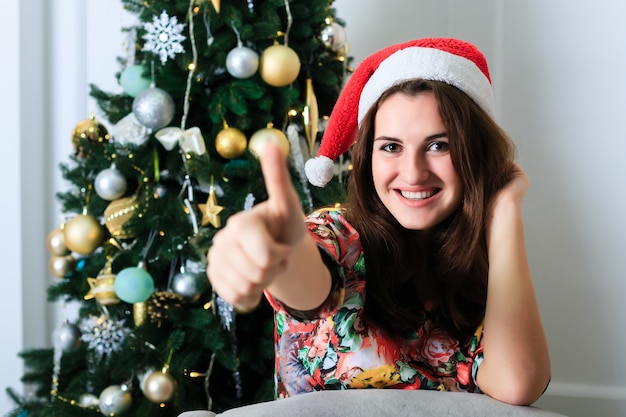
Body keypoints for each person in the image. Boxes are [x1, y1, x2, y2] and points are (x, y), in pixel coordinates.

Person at [207, 38, 551, 406]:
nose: (413, 173)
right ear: (366, 156)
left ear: (474, 153)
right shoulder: (340, 236)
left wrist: (504, 210)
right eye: (391, 147)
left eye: (439, 145)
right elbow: (308, 280)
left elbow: (518, 384)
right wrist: (281, 258)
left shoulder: (487, 261)